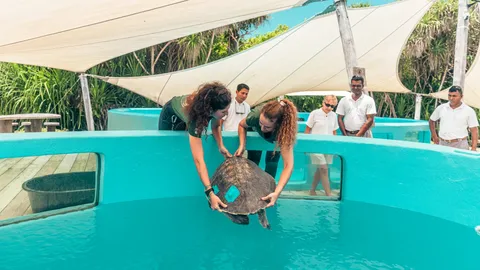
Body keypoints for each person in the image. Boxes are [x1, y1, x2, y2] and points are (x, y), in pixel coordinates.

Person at [158, 81, 232, 211]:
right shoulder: (196, 120)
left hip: (192, 113)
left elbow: (216, 125)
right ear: (210, 110)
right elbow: (199, 160)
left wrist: (220, 145)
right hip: (171, 115)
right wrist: (210, 192)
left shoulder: (213, 106)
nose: (226, 115)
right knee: (169, 148)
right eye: (224, 112)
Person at [234, 99, 298, 208]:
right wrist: (242, 145)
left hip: (276, 141)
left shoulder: (284, 133)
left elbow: (288, 166)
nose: (262, 128)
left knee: (272, 163)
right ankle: (250, 193)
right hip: (255, 135)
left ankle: (269, 194)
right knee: (253, 163)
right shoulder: (255, 116)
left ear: (278, 125)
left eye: (267, 127)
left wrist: (277, 192)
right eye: (260, 123)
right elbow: (241, 125)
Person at [304, 95, 339, 196]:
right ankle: (328, 194)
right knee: (324, 168)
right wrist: (306, 146)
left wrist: (335, 147)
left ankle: (312, 190)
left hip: (328, 146)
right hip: (315, 146)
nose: (329, 108)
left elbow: (334, 131)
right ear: (323, 103)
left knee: (321, 169)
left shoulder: (334, 116)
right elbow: (307, 130)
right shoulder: (314, 113)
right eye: (327, 105)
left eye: (332, 106)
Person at [429, 85, 478, 151]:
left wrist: (474, 148)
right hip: (442, 143)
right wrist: (434, 137)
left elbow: (474, 130)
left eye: (454, 96)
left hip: (460, 145)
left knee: (460, 161)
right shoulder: (441, 108)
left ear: (461, 97)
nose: (451, 98)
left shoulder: (469, 111)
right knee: (441, 161)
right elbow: (431, 120)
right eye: (449, 95)